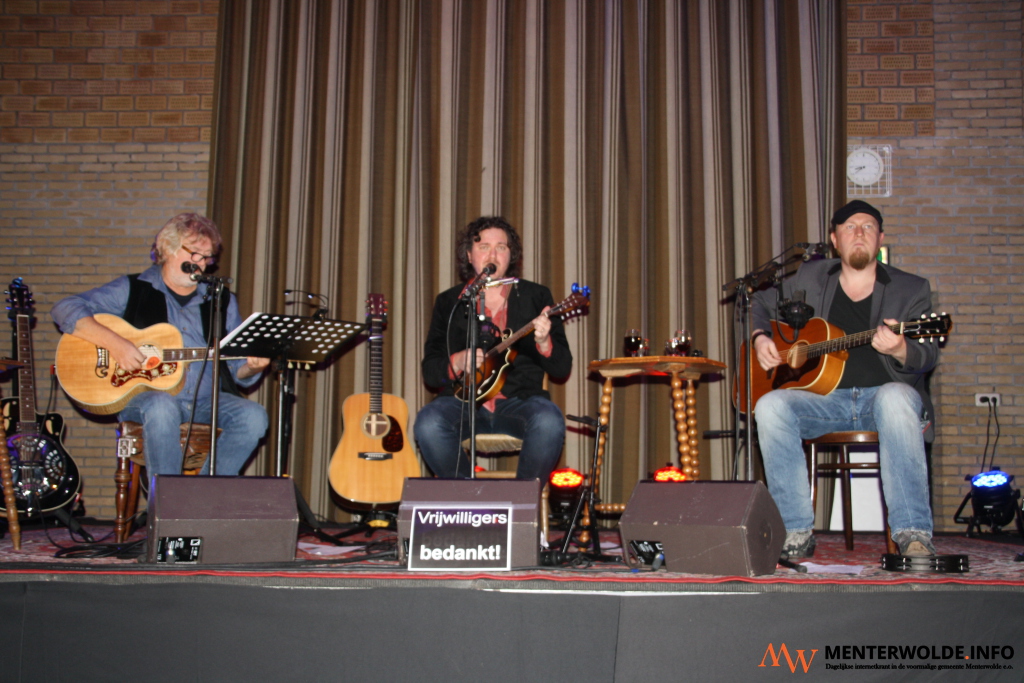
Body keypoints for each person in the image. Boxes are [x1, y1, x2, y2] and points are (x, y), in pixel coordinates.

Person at [751, 200, 939, 558]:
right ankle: (794, 532)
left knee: (896, 397)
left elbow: (927, 355)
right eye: (850, 226)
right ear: (835, 240)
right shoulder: (809, 278)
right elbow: (757, 302)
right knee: (770, 405)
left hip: (882, 401)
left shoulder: (910, 289)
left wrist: (900, 348)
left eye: (867, 226)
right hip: (823, 400)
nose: (858, 233)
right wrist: (761, 337)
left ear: (880, 238)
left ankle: (913, 534)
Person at [52, 213, 270, 476]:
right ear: (168, 248)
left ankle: (204, 497)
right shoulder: (134, 288)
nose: (200, 263)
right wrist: (116, 344)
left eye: (207, 256)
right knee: (162, 406)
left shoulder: (221, 301)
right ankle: (168, 502)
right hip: (142, 398)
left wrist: (252, 368)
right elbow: (65, 308)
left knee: (254, 416)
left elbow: (236, 369)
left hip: (205, 401)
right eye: (194, 253)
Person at [414, 216, 572, 480]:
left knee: (549, 421)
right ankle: (468, 501)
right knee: (428, 423)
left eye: (501, 247)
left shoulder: (536, 296)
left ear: (511, 256)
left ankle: (523, 506)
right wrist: (457, 361)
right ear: (469, 255)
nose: (493, 254)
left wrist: (544, 341)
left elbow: (562, 367)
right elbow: (430, 371)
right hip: (461, 403)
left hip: (519, 402)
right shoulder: (448, 302)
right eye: (483, 246)